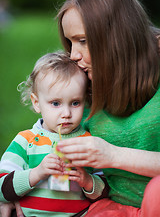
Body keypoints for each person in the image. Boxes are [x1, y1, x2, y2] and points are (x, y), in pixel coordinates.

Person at [55, 0, 160, 216]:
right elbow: (42, 139)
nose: (73, 55)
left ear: (117, 37)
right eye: (70, 42)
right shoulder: (84, 84)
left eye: (83, 41)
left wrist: (113, 155)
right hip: (113, 207)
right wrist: (13, 193)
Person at [0, 52, 107, 217]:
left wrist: (88, 181)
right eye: (56, 103)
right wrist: (37, 173)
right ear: (37, 103)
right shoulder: (25, 140)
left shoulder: (88, 142)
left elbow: (106, 190)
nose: (66, 113)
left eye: (75, 103)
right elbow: (2, 188)